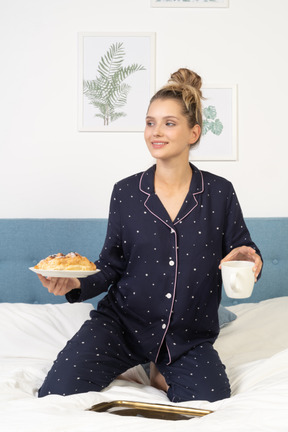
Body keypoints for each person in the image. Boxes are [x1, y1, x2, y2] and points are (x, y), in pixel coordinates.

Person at [37, 68, 262, 402]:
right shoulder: (126, 193)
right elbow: (110, 265)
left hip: (188, 336)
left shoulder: (219, 192)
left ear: (193, 133)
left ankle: (158, 366)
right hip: (121, 326)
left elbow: (243, 251)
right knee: (55, 393)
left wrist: (249, 257)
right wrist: (76, 284)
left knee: (211, 399)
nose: (156, 132)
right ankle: (141, 362)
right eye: (150, 122)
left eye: (169, 123)